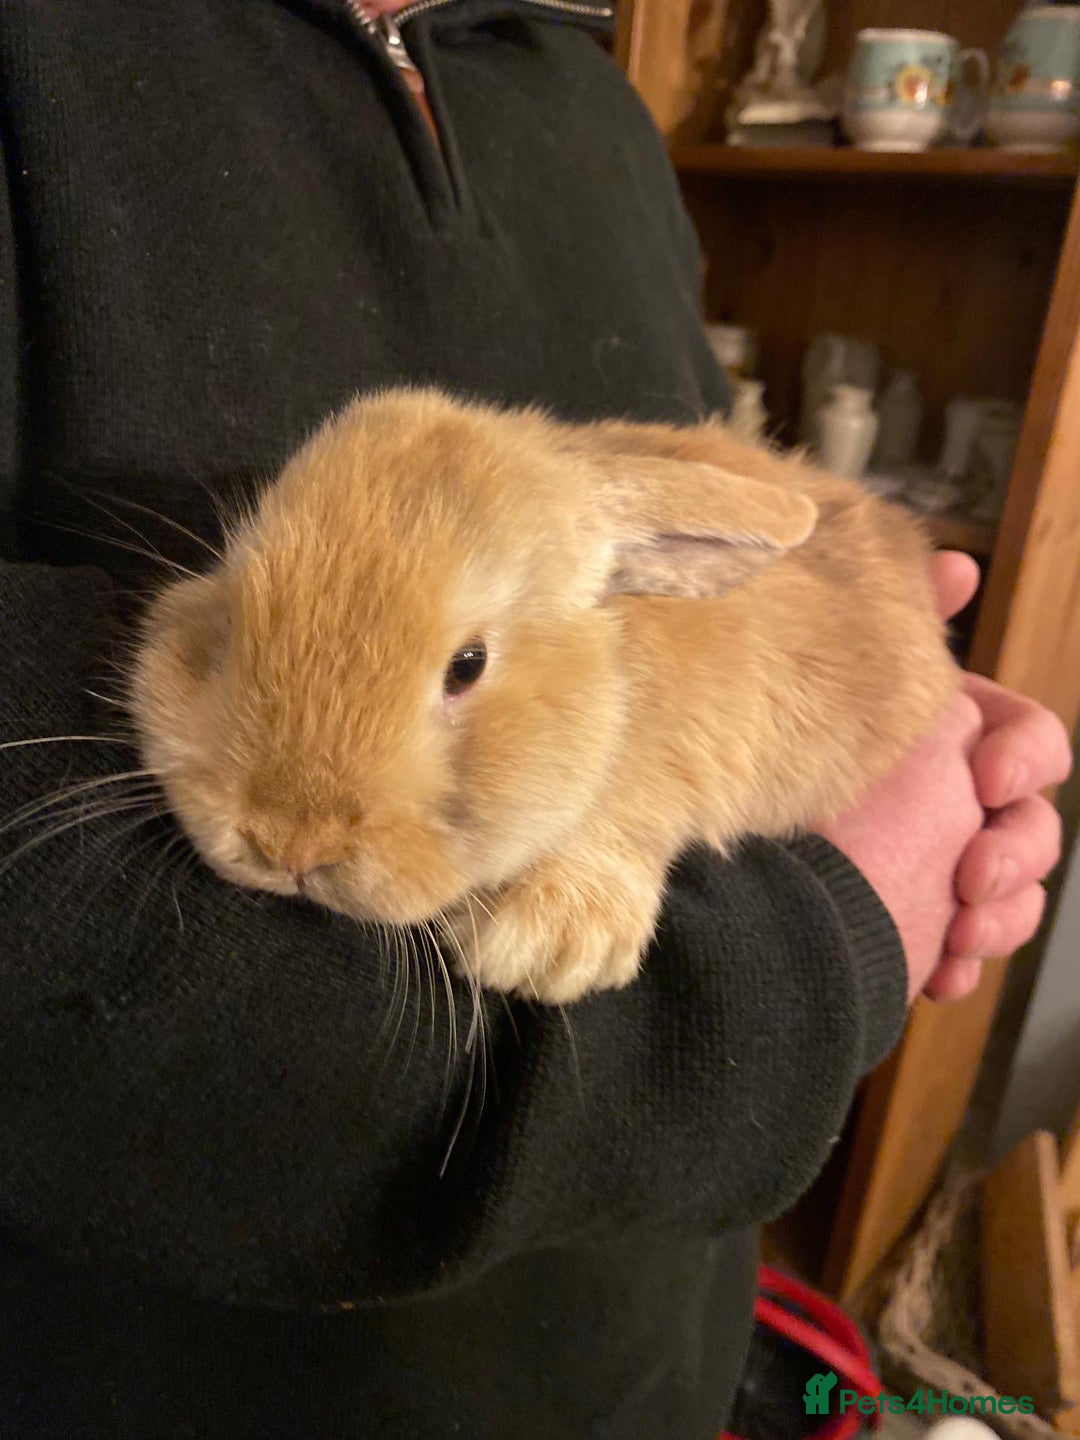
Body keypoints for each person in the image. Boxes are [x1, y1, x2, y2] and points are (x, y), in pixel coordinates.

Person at [0, 4, 1069, 1436]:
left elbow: (710, 554)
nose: (293, 838)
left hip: (648, 1360)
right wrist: (834, 930)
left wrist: (924, 754)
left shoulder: (594, 103)